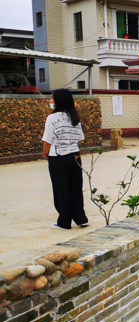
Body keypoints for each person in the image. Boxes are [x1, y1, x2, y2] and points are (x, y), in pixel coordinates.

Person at [42, 89, 89, 230]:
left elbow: (47, 140)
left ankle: (64, 222)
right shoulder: (74, 117)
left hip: (58, 157)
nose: (50, 101)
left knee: (61, 189)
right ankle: (81, 218)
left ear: (59, 101)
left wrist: (45, 154)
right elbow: (79, 139)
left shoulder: (52, 118)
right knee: (75, 188)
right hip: (75, 156)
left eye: (52, 99)